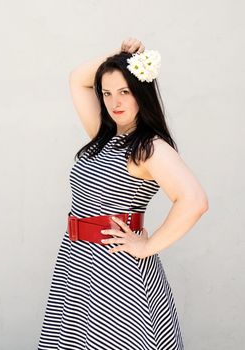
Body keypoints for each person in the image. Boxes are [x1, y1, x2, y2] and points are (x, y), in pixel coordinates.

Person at [37, 37, 209, 350]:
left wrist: (148, 246)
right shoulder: (103, 137)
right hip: (76, 262)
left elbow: (195, 201)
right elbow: (78, 78)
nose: (115, 102)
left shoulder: (148, 147)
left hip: (117, 269)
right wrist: (121, 58)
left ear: (141, 93)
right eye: (107, 93)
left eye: (125, 92)